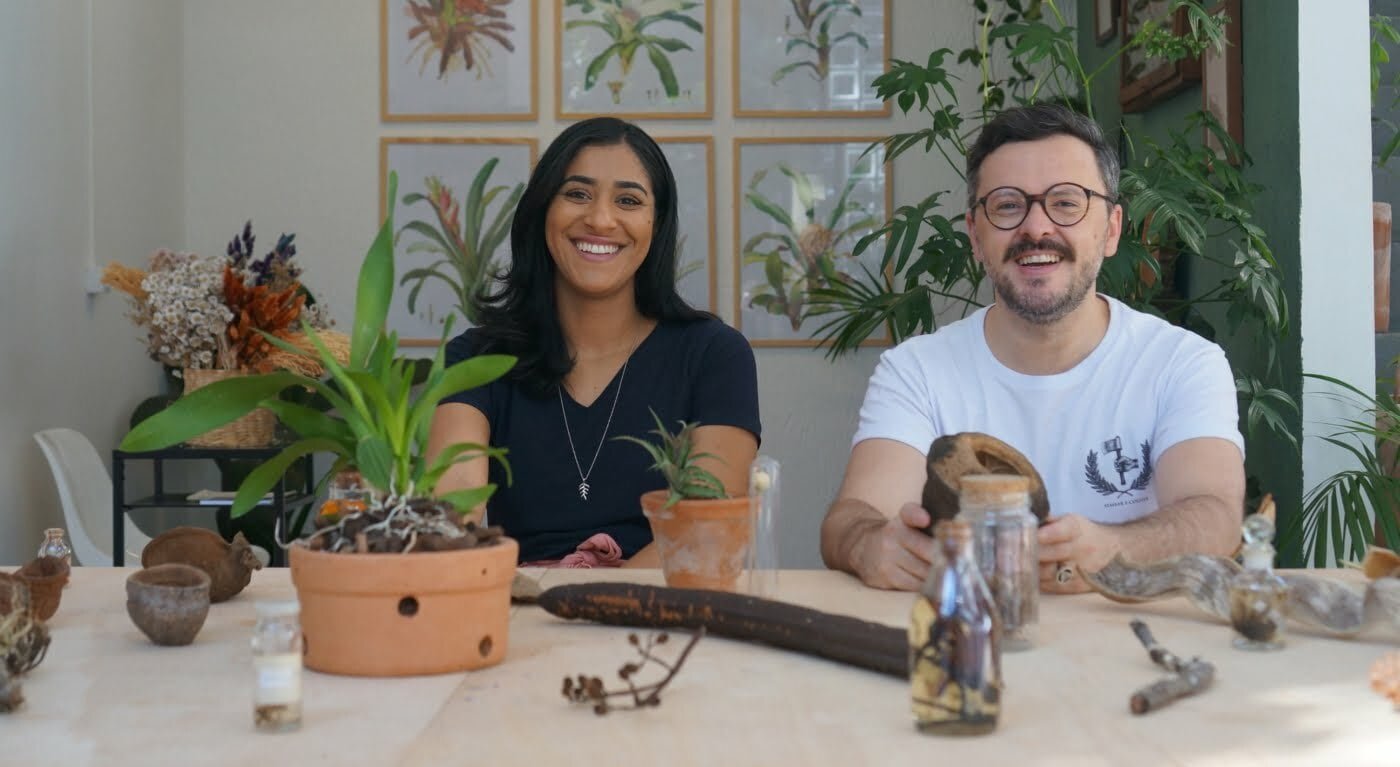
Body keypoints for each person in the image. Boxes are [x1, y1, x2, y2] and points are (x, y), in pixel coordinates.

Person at [819, 103, 1245, 593]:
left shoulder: (1182, 362)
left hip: (1128, 647)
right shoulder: (915, 369)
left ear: (1110, 230)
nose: (1036, 228)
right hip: (966, 646)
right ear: (975, 237)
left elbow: (1215, 517)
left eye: (1066, 203)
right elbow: (851, 518)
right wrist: (870, 544)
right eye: (1006, 205)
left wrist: (1111, 548)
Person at [429, 117, 760, 567]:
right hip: (518, 610)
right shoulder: (475, 358)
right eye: (577, 194)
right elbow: (453, 519)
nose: (601, 219)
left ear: (656, 224)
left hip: (659, 613)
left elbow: (707, 530)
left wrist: (594, 602)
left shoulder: (715, 355)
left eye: (628, 200)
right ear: (543, 210)